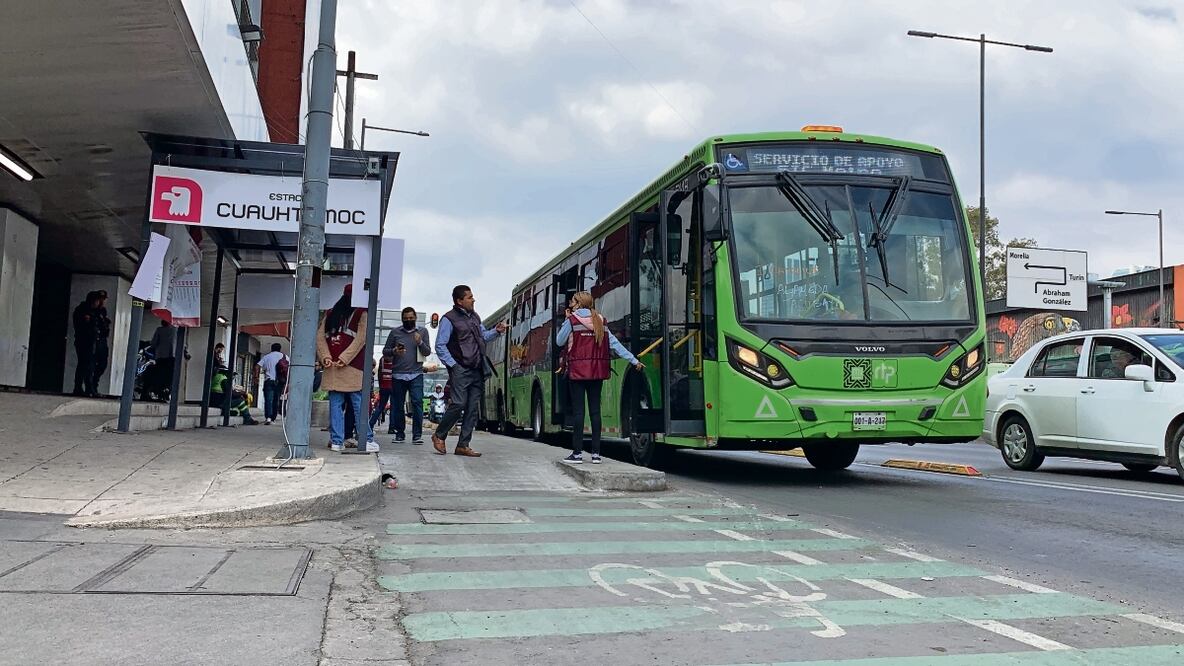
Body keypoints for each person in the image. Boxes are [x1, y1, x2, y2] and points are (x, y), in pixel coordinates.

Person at [556, 291, 643, 464]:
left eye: (572, 302)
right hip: (597, 372)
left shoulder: (572, 321)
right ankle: (596, 455)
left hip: (578, 373)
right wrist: (634, 360)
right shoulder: (600, 321)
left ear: (579, 304)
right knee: (595, 412)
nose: (570, 304)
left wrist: (567, 320)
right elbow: (615, 345)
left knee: (579, 412)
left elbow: (559, 341)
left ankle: (577, 454)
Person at [432, 285, 507, 457]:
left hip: (477, 368)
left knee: (473, 408)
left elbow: (483, 336)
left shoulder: (475, 317)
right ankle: (439, 435)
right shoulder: (448, 319)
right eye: (470, 297)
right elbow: (440, 345)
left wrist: (496, 331)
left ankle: (463, 445)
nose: (473, 300)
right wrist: (453, 365)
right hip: (460, 368)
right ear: (459, 301)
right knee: (458, 404)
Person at [317, 284, 377, 453]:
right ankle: (367, 439)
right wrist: (344, 358)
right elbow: (361, 339)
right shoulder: (361, 313)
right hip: (352, 367)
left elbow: (320, 339)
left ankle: (336, 441)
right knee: (358, 403)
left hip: (332, 367)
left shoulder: (330, 314)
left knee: (335, 404)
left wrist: (326, 358)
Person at [384, 307, 432, 444]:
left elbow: (427, 352)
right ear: (402, 319)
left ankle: (417, 435)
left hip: (416, 373)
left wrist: (420, 342)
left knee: (417, 403)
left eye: (411, 318)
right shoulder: (395, 333)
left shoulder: (422, 332)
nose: (408, 320)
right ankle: (400, 434)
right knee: (398, 405)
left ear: (415, 317)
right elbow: (385, 351)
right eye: (405, 318)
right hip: (398, 374)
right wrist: (394, 351)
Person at [71, 291, 100, 396]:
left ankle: (88, 388)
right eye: (97, 301)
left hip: (89, 341)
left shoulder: (91, 311)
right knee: (84, 365)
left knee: (88, 365)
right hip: (84, 341)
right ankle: (79, 388)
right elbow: (85, 327)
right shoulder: (83, 310)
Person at [257, 342, 288, 425]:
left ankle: (268, 418)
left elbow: (257, 366)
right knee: (276, 399)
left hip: (269, 381)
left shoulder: (267, 357)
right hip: (280, 381)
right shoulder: (285, 357)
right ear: (280, 349)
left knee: (268, 400)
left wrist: (256, 378)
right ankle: (273, 418)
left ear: (271, 348)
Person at [90, 290, 111, 396]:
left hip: (102, 341)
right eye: (100, 299)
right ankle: (90, 388)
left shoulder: (103, 311)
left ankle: (94, 384)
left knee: (102, 364)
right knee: (90, 364)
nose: (102, 302)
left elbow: (104, 327)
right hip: (93, 341)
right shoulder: (89, 310)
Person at [369, 351, 395, 434]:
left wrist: (381, 385)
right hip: (393, 385)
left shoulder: (382, 359)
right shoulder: (396, 359)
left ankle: (370, 424)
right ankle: (391, 428)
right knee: (394, 407)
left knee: (380, 406)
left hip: (384, 385)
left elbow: (379, 374)